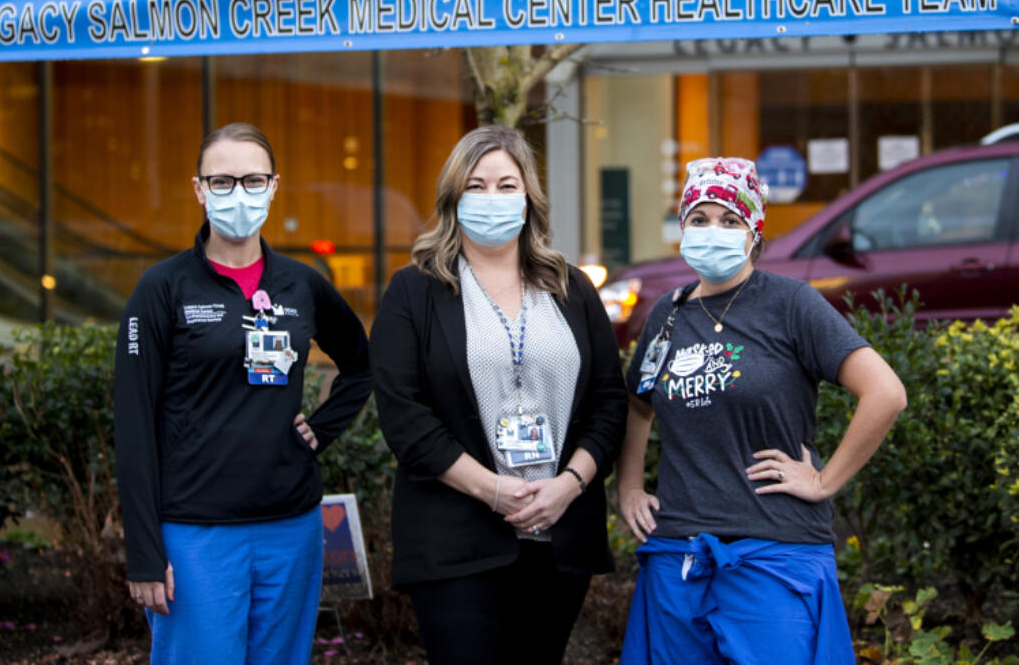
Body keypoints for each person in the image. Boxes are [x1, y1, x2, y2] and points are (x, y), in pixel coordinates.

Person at [617, 157, 908, 665]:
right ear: (682, 227)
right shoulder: (669, 313)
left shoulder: (791, 303)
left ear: (754, 231)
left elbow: (885, 393)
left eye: (731, 220)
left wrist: (823, 482)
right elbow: (638, 404)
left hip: (776, 553)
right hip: (677, 557)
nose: (714, 232)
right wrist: (629, 487)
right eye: (700, 219)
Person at [113, 123, 372, 665]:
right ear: (198, 188)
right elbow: (133, 425)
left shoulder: (302, 284)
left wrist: (321, 429)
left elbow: (362, 364)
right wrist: (143, 551)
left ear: (274, 187)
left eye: (253, 180)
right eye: (223, 180)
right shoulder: (163, 288)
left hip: (291, 526)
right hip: (195, 534)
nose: (239, 194)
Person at [371, 125, 628, 665]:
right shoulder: (414, 291)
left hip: (560, 536)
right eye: (477, 186)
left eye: (507, 186)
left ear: (529, 198)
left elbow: (608, 402)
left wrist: (569, 485)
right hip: (455, 539)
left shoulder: (571, 287)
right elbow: (404, 417)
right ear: (453, 198)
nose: (492, 199)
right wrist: (493, 490)